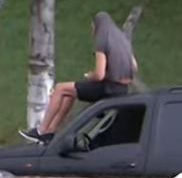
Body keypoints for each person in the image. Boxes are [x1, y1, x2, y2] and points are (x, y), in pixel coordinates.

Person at [19, 11, 138, 144]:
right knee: (69, 92)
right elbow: (134, 66)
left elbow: (99, 75)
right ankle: (50, 131)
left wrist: (89, 76)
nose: (92, 29)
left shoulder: (102, 39)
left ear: (97, 25)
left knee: (60, 88)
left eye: (92, 26)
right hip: (122, 89)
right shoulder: (122, 39)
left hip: (108, 88)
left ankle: (41, 130)